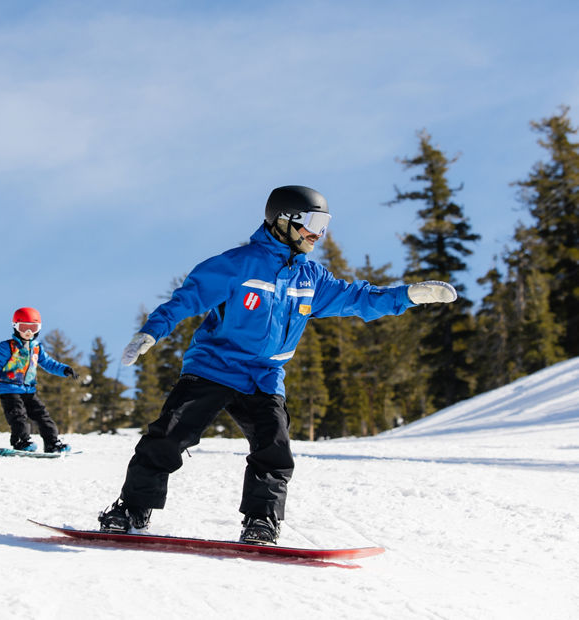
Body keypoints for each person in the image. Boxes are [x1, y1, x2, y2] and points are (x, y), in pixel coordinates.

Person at [99, 185, 458, 544]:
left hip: (265, 377)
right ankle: (132, 508)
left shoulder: (311, 279)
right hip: (214, 366)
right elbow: (186, 298)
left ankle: (261, 521)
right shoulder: (239, 265)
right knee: (169, 435)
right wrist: (151, 332)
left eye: (325, 224)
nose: (318, 234)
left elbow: (360, 298)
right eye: (314, 222)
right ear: (283, 220)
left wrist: (408, 296)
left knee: (274, 449)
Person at [0, 307, 77, 453]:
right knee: (18, 416)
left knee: (43, 415)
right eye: (24, 327)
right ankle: (21, 441)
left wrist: (64, 369)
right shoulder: (8, 346)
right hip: (10, 390)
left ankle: (52, 443)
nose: (28, 332)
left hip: (29, 390)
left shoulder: (36, 348)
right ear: (15, 327)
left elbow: (48, 363)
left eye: (33, 328)